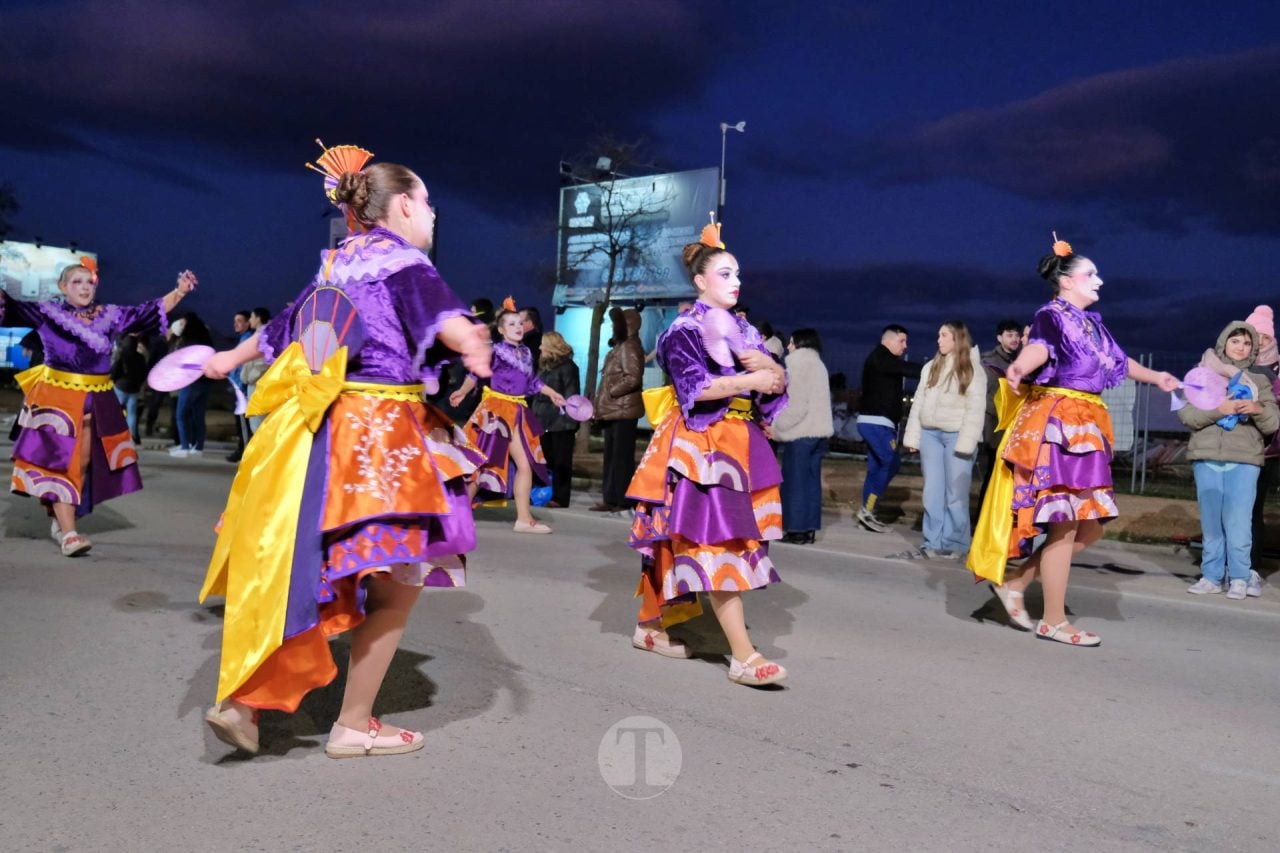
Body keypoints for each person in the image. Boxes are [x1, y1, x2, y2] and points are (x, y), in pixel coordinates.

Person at [198, 152, 492, 758]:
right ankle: (353, 723)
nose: (434, 215)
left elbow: (285, 328)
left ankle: (245, 705)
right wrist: (474, 344)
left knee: (306, 567)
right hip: (383, 436)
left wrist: (228, 358)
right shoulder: (405, 261)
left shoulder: (336, 266)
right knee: (397, 581)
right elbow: (443, 317)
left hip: (321, 432)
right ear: (404, 205)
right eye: (429, 203)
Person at [971, 235, 1179, 645]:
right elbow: (1038, 350)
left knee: (1092, 527)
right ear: (1066, 281)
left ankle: (1017, 582)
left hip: (1088, 423)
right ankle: (1052, 620)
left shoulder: (1092, 325)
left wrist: (1158, 377)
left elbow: (1119, 362)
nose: (1099, 281)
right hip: (1060, 425)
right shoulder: (1052, 315)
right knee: (1064, 526)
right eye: (1091, 274)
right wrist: (1018, 369)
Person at [626, 224, 790, 686]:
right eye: (724, 273)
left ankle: (649, 626)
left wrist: (773, 371)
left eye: (738, 273)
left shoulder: (744, 329)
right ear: (700, 281)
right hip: (701, 446)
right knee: (718, 543)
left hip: (741, 444)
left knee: (683, 542)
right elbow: (693, 388)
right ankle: (744, 657)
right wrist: (751, 380)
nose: (735, 281)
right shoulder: (684, 330)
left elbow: (775, 387)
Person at [0, 258, 196, 556]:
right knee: (62, 463)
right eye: (76, 282)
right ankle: (69, 535)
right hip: (57, 399)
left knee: (83, 464)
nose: (83, 287)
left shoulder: (110, 315)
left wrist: (179, 292)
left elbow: (147, 312)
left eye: (88, 281)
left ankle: (60, 519)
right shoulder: (45, 312)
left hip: (99, 398)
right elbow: (8, 306)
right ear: (63, 288)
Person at [1181, 321, 1279, 598]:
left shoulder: (1260, 380)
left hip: (1245, 459)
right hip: (1207, 456)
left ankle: (1239, 577)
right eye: (1235, 341)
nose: (1241, 347)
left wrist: (1258, 408)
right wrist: (1219, 408)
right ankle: (1211, 576)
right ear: (1224, 342)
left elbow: (1272, 424)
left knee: (1238, 521)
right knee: (1211, 522)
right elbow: (1188, 417)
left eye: (1247, 343)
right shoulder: (1202, 375)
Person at [450, 302, 565, 533]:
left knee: (524, 465)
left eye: (520, 322)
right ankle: (457, 515)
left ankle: (523, 519)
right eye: (511, 323)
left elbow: (532, 382)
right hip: (496, 411)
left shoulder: (525, 352)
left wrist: (552, 393)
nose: (518, 326)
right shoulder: (495, 351)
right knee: (481, 463)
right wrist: (462, 391)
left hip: (517, 412)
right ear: (501, 330)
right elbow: (475, 372)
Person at [902, 321, 986, 559]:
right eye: (939, 335)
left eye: (944, 335)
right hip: (930, 435)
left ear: (957, 338)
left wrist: (966, 444)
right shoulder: (931, 367)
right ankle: (932, 542)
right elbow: (919, 402)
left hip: (957, 436)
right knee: (932, 492)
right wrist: (913, 437)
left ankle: (956, 543)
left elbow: (975, 408)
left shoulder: (971, 368)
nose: (939, 340)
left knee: (956, 493)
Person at [855, 324, 923, 531]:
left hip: (881, 424)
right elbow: (907, 369)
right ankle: (867, 510)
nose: (905, 346)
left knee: (877, 467)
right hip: (876, 423)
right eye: (902, 341)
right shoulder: (881, 357)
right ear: (888, 340)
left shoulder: (884, 360)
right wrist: (934, 368)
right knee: (891, 462)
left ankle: (868, 511)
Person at [771, 328, 833, 544]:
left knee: (794, 482)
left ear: (798, 343)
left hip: (801, 433)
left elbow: (797, 405)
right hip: (819, 432)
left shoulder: (796, 363)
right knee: (811, 482)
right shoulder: (819, 364)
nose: (788, 347)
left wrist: (777, 428)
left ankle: (795, 529)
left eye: (791, 342)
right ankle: (809, 528)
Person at [591, 306, 644, 512]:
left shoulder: (629, 346)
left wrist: (612, 392)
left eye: (616, 323)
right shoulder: (620, 346)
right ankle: (611, 498)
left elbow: (632, 377)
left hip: (624, 410)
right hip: (615, 410)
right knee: (612, 457)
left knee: (621, 458)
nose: (613, 327)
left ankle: (622, 499)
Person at [1245, 304, 1277, 594]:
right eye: (1254, 336)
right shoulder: (1237, 363)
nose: (1259, 342)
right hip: (1247, 450)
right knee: (1248, 510)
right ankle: (1248, 568)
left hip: (1275, 450)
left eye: (1264, 337)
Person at [529, 331, 581, 508]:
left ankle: (560, 497)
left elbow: (571, 395)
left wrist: (570, 422)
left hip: (560, 422)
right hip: (541, 419)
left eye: (543, 344)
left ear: (551, 346)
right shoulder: (543, 365)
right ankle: (541, 493)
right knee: (544, 459)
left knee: (561, 462)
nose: (540, 347)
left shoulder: (568, 367)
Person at [977, 319, 1022, 502]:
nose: (1015, 339)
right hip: (993, 424)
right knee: (990, 472)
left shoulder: (1023, 360)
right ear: (999, 337)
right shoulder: (987, 361)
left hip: (1015, 424)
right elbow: (981, 392)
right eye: (1009, 335)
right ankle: (981, 520)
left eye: (1017, 335)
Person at [170, 312, 214, 458]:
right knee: (198, 415)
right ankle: (198, 447)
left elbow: (188, 363)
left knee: (181, 414)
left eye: (183, 323)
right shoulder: (205, 338)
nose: (181, 326)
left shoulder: (188, 341)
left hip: (191, 382)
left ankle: (185, 446)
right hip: (205, 382)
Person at [225, 309, 254, 463]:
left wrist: (238, 385)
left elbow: (243, 365)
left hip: (241, 388)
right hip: (237, 386)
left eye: (240, 321)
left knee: (243, 423)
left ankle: (243, 451)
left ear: (249, 323)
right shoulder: (244, 338)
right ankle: (242, 449)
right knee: (240, 422)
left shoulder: (248, 339)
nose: (235, 324)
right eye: (235, 321)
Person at [110, 333, 147, 443]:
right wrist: (139, 384)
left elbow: (115, 370)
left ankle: (115, 433)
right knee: (132, 413)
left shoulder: (122, 354)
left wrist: (113, 379)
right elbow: (143, 373)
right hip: (134, 389)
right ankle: (131, 436)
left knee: (117, 412)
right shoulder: (140, 357)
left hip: (120, 387)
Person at [239, 306, 271, 434]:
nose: (250, 320)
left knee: (258, 422)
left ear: (258, 318)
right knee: (256, 421)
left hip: (258, 383)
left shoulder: (264, 336)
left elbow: (263, 362)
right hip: (255, 382)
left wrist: (250, 377)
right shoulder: (259, 335)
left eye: (252, 317)